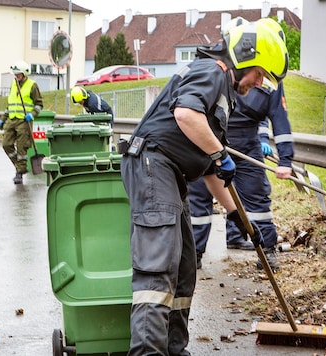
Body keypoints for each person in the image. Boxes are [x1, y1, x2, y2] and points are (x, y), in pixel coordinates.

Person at [119, 18, 288, 355]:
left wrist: (236, 215)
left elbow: (213, 170)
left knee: (183, 271)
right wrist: (219, 153)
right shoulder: (212, 71)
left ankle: (174, 350)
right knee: (158, 269)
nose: (259, 82)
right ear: (244, 56)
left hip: (170, 172)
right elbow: (186, 115)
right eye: (259, 73)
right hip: (153, 164)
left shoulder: (224, 89)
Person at [189, 83, 294, 272]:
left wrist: (285, 160)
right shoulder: (221, 71)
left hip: (247, 142)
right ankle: (193, 254)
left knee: (256, 198)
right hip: (210, 140)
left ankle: (266, 251)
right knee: (198, 199)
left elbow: (279, 119)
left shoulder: (271, 82)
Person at [0, 60, 43, 184]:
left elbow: (39, 104)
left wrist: (32, 114)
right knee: (6, 144)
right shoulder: (14, 85)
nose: (16, 76)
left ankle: (19, 173)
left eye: (18, 74)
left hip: (24, 121)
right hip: (12, 119)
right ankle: (19, 167)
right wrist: (3, 119)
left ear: (24, 74)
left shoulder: (32, 85)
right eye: (15, 74)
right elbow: (10, 105)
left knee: (22, 147)